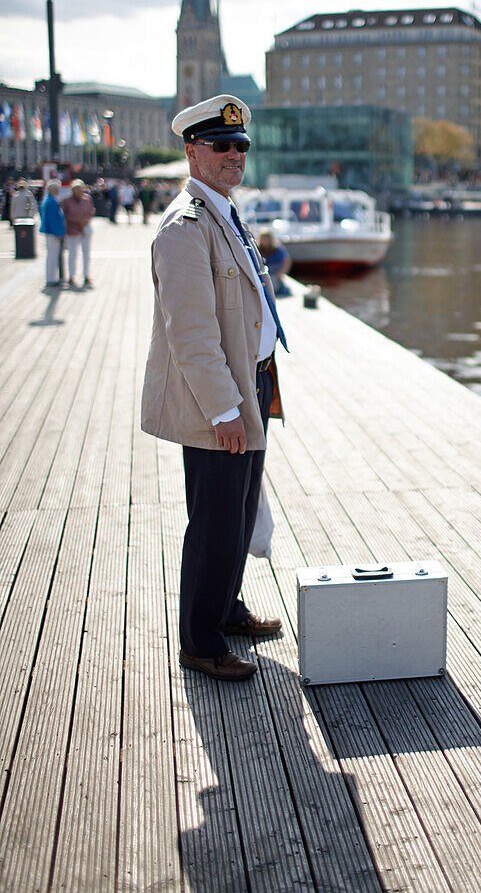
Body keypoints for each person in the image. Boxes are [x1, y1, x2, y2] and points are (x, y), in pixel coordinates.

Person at [141, 94, 288, 682]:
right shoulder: (185, 228)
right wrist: (225, 409)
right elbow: (192, 335)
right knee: (214, 521)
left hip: (247, 385)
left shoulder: (224, 210)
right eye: (222, 145)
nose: (234, 155)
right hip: (218, 400)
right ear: (192, 151)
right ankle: (200, 642)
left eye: (241, 146)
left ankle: (225, 610)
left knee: (239, 511)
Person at [61, 179, 95, 286]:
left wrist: (84, 220)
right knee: (72, 253)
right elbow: (65, 214)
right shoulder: (67, 201)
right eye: (76, 190)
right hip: (73, 229)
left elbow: (91, 211)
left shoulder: (87, 199)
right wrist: (76, 220)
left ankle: (86, 274)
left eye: (80, 189)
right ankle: (72, 275)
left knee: (86, 253)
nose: (79, 192)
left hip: (85, 228)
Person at [39, 179, 66, 286]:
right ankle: (51, 278)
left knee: (51, 255)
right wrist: (58, 233)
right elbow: (54, 220)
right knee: (53, 255)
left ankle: (51, 277)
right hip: (53, 232)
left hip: (50, 232)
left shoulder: (48, 200)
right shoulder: (51, 202)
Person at [256, 227, 292, 296]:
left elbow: (287, 261)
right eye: (263, 239)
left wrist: (281, 273)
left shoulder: (278, 248)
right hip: (264, 271)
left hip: (275, 272)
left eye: (267, 239)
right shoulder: (257, 249)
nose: (265, 241)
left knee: (274, 287)